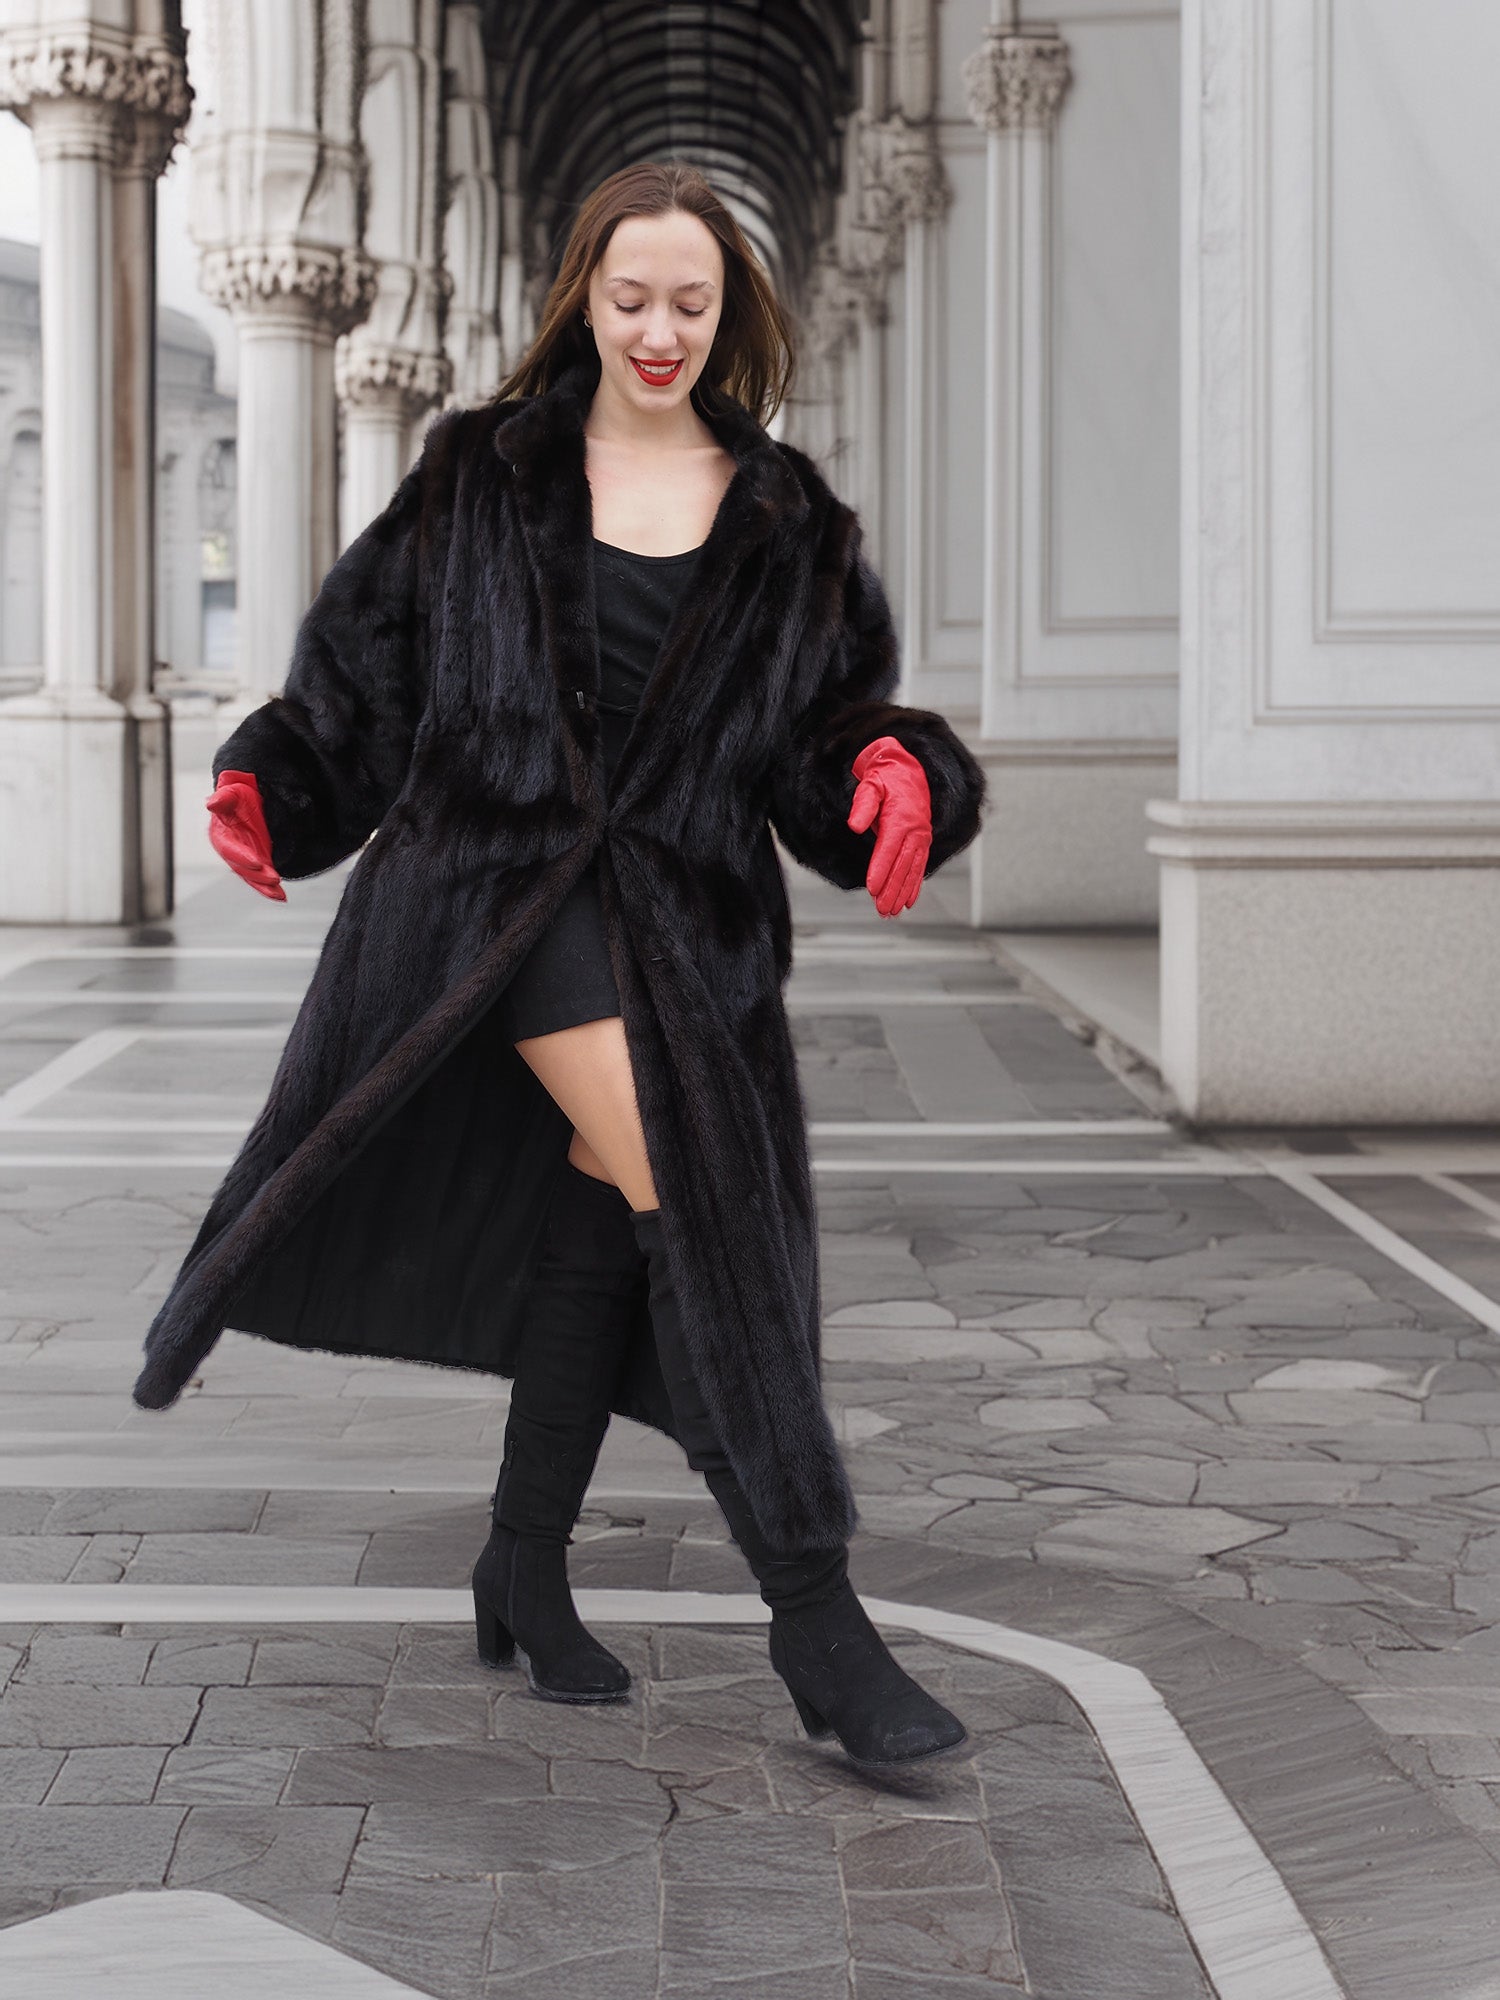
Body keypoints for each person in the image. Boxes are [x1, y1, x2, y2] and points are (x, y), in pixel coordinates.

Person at [145, 159, 987, 1773]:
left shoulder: (789, 517)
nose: (660, 330)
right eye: (631, 297)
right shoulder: (481, 473)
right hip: (491, 900)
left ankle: (522, 1563)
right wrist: (281, 777)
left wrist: (895, 772)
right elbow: (361, 682)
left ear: (731, 314)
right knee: (696, 1197)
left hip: (685, 930)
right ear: (583, 299)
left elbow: (824, 734)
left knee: (609, 1224)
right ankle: (815, 1612)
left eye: (692, 302)